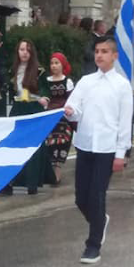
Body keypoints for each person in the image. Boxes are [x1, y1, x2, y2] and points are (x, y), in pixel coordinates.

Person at [64, 36, 132, 264]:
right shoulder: (85, 81)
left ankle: (93, 245)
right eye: (97, 51)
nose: (99, 55)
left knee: (97, 194)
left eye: (104, 51)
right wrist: (70, 111)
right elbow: (76, 108)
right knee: (81, 198)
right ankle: (100, 220)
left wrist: (121, 154)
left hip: (107, 148)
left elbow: (124, 122)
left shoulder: (122, 85)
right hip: (85, 145)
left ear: (114, 56)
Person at [0, 39, 53, 195]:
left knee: (33, 147)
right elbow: (10, 91)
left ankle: (32, 182)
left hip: (33, 111)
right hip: (18, 110)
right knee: (12, 145)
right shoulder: (13, 70)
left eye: (27, 50)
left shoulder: (39, 71)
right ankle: (9, 182)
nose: (24, 52)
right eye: (21, 49)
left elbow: (45, 90)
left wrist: (43, 98)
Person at [45, 52, 75, 186]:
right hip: (50, 117)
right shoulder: (46, 81)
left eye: (57, 63)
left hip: (63, 117)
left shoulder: (67, 81)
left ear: (62, 65)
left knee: (62, 144)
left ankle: (57, 175)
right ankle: (51, 174)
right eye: (52, 63)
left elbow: (72, 99)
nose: (54, 66)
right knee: (50, 145)